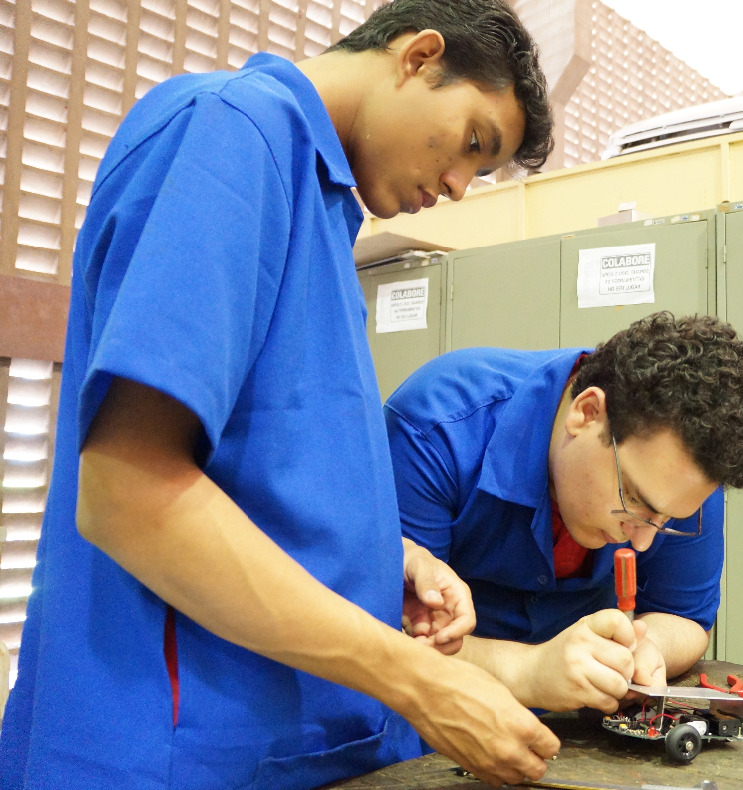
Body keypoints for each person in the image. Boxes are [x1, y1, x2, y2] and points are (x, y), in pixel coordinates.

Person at [0, 2, 562, 788]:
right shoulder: (230, 132)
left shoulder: (320, 206)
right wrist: (417, 679)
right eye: (474, 142)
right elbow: (130, 492)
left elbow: (253, 470)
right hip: (174, 754)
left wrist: (372, 560)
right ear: (419, 56)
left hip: (288, 751)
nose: (460, 186)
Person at [384, 312, 743, 713]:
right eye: (635, 500)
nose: (641, 540)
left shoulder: (683, 475)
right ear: (586, 414)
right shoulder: (435, 426)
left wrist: (643, 647)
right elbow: (385, 636)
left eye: (668, 521)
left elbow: (684, 618)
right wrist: (525, 671)